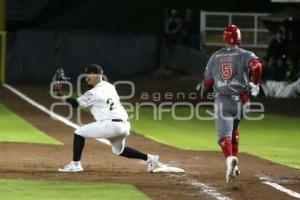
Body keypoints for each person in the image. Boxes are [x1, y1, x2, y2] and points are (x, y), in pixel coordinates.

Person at [58, 64, 160, 172]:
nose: (86, 78)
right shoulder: (110, 86)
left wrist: (60, 95)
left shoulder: (93, 93)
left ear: (94, 75)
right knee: (119, 151)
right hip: (124, 125)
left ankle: (75, 164)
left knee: (79, 132)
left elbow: (75, 104)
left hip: (111, 125)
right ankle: (150, 158)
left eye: (88, 75)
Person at [203, 25, 263, 183]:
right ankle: (235, 163)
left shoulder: (215, 56)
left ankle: (230, 160)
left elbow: (208, 82)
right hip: (243, 102)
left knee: (224, 137)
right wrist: (255, 84)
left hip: (223, 100)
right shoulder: (246, 54)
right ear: (239, 38)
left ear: (225, 38)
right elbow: (257, 66)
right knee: (234, 130)